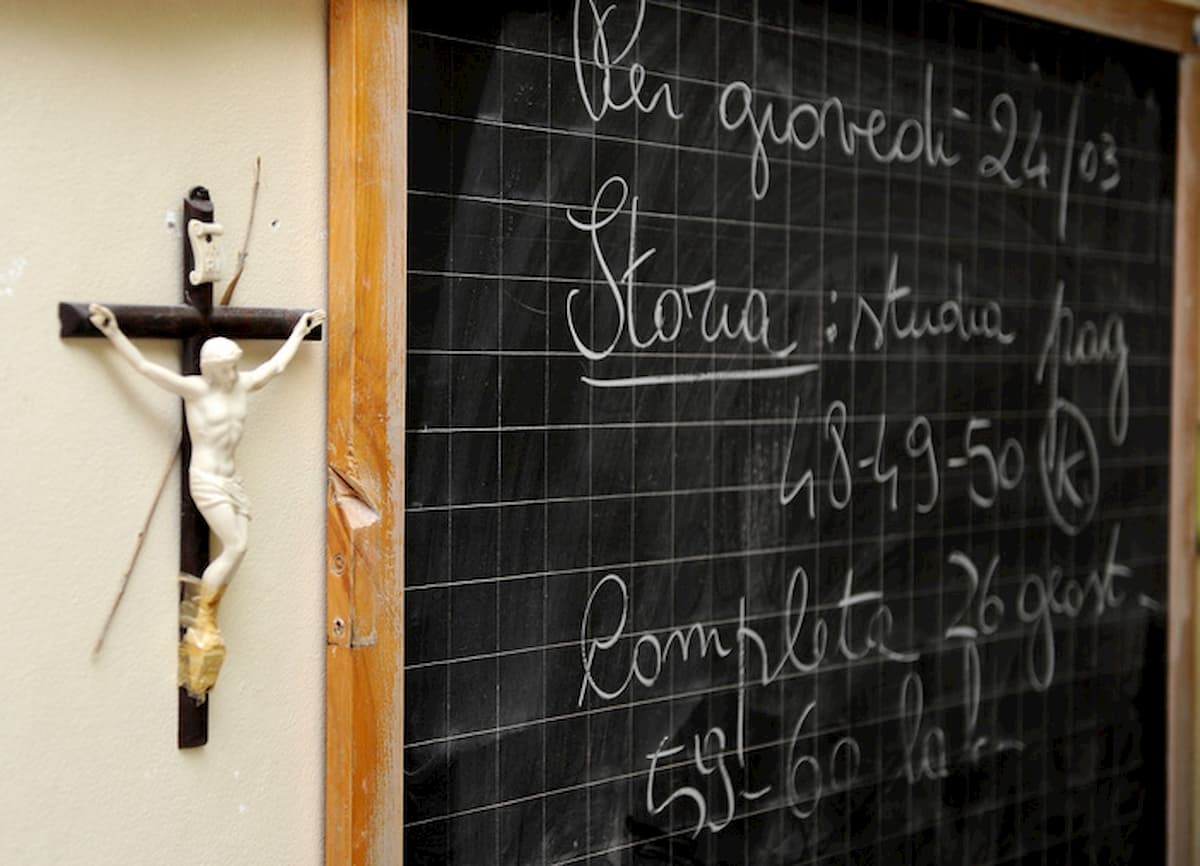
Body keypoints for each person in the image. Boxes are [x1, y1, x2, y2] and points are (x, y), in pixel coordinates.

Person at [88, 302, 324, 696]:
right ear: (212, 368)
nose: (234, 372)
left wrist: (299, 331)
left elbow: (275, 369)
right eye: (227, 367)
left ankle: (205, 616)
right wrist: (113, 333)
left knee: (239, 548)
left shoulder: (242, 384)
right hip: (208, 480)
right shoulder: (196, 389)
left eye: (235, 365)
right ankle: (205, 616)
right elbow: (148, 370)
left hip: (232, 479)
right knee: (237, 545)